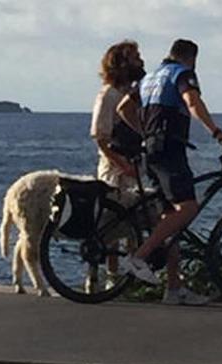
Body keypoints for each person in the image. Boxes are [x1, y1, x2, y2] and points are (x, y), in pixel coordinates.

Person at [117, 38, 222, 305]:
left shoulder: (150, 79)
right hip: (170, 150)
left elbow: (123, 108)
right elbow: (192, 102)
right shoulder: (182, 73)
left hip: (151, 152)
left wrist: (145, 132)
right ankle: (139, 257)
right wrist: (218, 133)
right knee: (189, 208)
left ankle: (173, 289)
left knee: (171, 219)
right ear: (191, 58)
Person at [90, 40, 146, 287]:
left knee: (135, 223)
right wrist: (123, 165)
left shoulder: (129, 94)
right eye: (136, 57)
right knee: (110, 226)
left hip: (134, 167)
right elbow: (101, 138)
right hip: (115, 170)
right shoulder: (108, 95)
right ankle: (111, 278)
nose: (141, 62)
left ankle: (130, 275)